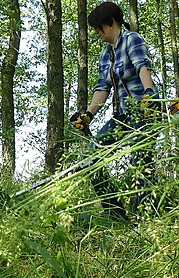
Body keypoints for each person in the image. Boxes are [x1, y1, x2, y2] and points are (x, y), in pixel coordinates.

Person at [70, 1, 160, 221]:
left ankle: (145, 222)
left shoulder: (132, 39)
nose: (96, 33)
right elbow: (103, 88)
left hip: (144, 111)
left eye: (98, 28)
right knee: (90, 158)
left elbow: (142, 67)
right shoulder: (106, 53)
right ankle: (117, 214)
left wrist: (149, 95)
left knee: (141, 164)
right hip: (122, 116)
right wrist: (88, 115)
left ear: (110, 23)